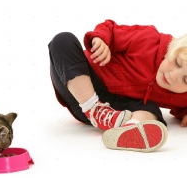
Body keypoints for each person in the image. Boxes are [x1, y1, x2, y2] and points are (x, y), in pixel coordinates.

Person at [48, 19, 187, 152]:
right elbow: (111, 29)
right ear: (173, 48)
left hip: (116, 112)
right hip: (80, 87)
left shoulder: (183, 96)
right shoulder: (148, 40)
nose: (173, 76)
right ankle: (94, 109)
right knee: (62, 40)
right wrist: (101, 40)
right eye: (177, 63)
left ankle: (129, 128)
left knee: (151, 110)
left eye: (186, 80)